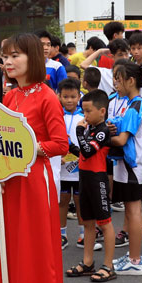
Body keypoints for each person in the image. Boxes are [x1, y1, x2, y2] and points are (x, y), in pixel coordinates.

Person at [0, 32, 69, 283]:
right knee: (12, 255)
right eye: (5, 56)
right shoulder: (10, 96)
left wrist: (31, 148)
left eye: (16, 55)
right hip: (10, 182)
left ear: (33, 58)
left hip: (35, 184)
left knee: (35, 259)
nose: (9, 62)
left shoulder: (47, 97)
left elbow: (61, 144)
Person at [65, 89, 117, 282]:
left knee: (105, 223)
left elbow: (88, 151)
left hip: (98, 179)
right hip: (85, 177)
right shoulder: (91, 129)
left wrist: (78, 132)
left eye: (88, 111)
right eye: (83, 111)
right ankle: (88, 262)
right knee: (87, 222)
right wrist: (68, 145)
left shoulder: (103, 130)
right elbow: (82, 152)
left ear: (102, 111)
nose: (84, 115)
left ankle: (108, 266)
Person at [108, 60, 142, 276]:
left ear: (131, 81)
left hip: (133, 167)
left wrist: (102, 136)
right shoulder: (133, 103)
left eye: (119, 79)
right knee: (132, 210)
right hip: (129, 166)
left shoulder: (135, 106)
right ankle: (132, 255)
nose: (116, 83)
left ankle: (135, 260)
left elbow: (122, 140)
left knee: (134, 211)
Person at [55, 80, 83, 250]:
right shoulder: (57, 117)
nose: (69, 100)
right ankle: (61, 235)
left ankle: (83, 234)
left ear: (79, 96)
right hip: (62, 168)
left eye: (73, 96)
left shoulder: (85, 117)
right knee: (62, 201)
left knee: (80, 202)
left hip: (80, 168)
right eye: (65, 97)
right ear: (59, 96)